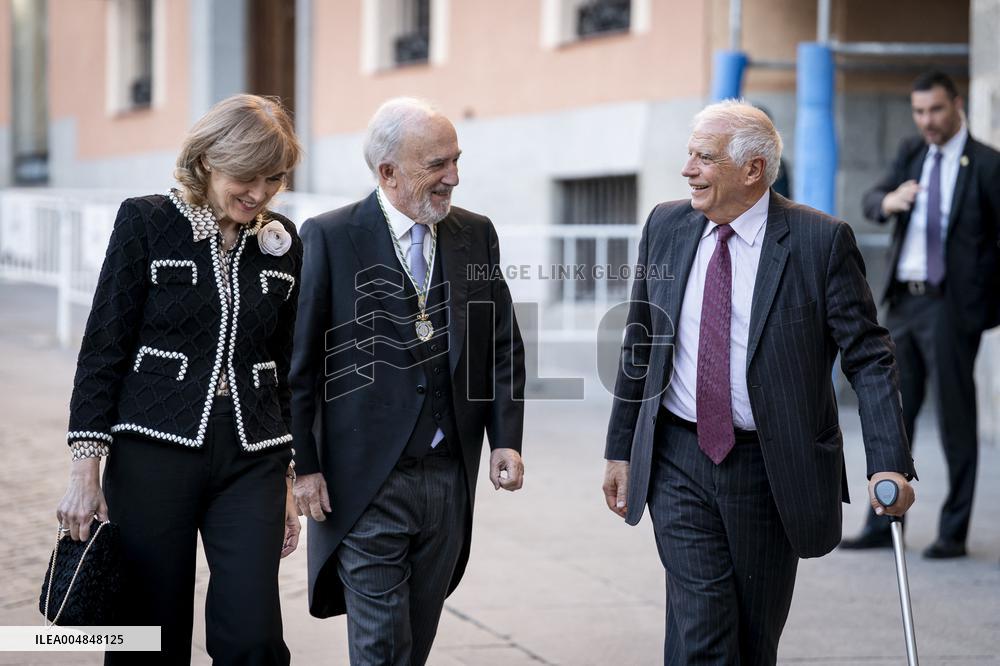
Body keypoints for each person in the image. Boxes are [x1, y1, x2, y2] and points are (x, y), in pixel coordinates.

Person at [601, 100, 916, 665]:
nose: (687, 169)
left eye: (704, 157)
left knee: (752, 638)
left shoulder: (820, 243)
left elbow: (868, 356)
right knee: (701, 628)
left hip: (770, 468)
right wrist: (620, 449)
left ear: (751, 171)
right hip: (680, 456)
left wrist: (887, 460)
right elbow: (641, 341)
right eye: (689, 154)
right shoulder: (667, 226)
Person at [56, 94, 303, 665]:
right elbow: (103, 349)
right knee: (148, 636)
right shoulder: (146, 221)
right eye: (248, 176)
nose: (260, 193)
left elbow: (286, 364)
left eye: (273, 179)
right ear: (209, 160)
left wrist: (289, 476)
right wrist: (84, 471)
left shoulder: (282, 240)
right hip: (152, 454)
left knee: (254, 637)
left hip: (252, 457)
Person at [289, 97, 525, 665]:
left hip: (448, 481)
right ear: (387, 172)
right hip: (364, 481)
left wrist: (507, 439)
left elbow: (502, 345)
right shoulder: (328, 236)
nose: (453, 177)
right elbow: (299, 367)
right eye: (437, 164)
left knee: (413, 645)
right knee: (379, 647)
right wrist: (306, 464)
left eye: (455, 160)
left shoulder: (476, 234)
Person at [841, 71, 1000, 559]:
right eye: (919, 112)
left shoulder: (988, 165)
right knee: (894, 416)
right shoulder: (912, 153)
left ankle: (953, 531)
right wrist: (889, 201)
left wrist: (981, 304)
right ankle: (883, 523)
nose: (926, 121)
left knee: (955, 420)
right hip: (903, 305)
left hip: (950, 307)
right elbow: (871, 201)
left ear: (957, 105)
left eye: (935, 110)